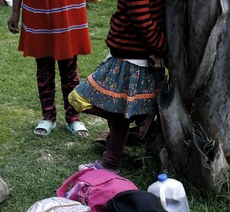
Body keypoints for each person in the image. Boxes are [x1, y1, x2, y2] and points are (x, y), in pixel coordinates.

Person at [69, 0, 167, 172]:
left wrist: (160, 48)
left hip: (132, 61)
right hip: (126, 56)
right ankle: (138, 115)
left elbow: (142, 20)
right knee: (117, 114)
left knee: (86, 102)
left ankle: (110, 163)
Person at [8, 0, 92, 137]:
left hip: (67, 8)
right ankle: (48, 116)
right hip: (38, 11)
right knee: (43, 67)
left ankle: (73, 118)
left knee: (69, 68)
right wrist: (15, 12)